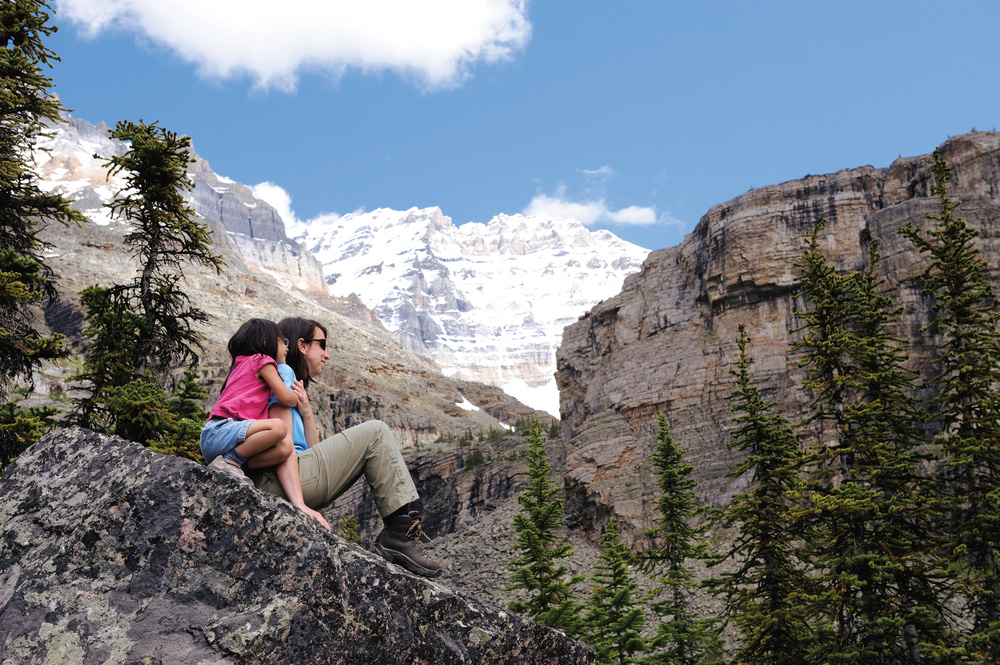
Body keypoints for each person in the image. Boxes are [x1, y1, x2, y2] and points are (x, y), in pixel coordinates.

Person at [249, 316, 444, 578]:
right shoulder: (282, 375)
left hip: (288, 478)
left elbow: (312, 455)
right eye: (322, 344)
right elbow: (281, 442)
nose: (327, 355)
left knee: (373, 434)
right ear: (302, 345)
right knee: (376, 432)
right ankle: (399, 534)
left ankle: (401, 533)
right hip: (277, 482)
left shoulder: (292, 386)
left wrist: (307, 414)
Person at [201, 318, 330, 530]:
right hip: (223, 431)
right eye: (282, 341)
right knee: (280, 428)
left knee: (283, 447)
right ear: (265, 341)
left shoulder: (242, 362)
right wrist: (297, 397)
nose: (285, 347)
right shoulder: (264, 362)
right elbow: (285, 398)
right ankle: (231, 461)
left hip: (215, 436)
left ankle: (233, 462)